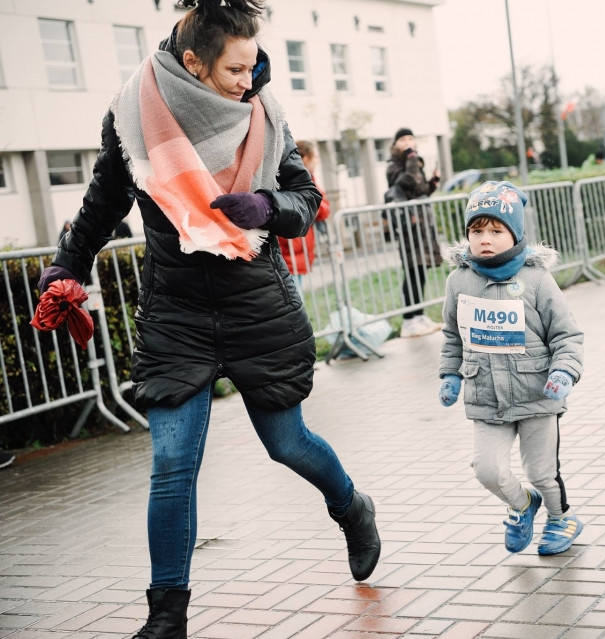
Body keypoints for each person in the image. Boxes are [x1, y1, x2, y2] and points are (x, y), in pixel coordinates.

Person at [34, 2, 380, 637]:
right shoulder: (132, 113)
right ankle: (166, 618)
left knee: (288, 445)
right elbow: (104, 201)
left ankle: (351, 505)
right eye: (235, 68)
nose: (248, 80)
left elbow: (307, 201)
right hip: (177, 313)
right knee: (171, 464)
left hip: (257, 307)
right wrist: (67, 267)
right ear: (192, 61)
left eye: (253, 65)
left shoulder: (265, 113)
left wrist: (266, 205)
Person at [437, 181, 585, 556]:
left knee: (542, 473)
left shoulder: (536, 280)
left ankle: (560, 517)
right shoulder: (458, 281)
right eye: (476, 230)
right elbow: (453, 335)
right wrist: (450, 375)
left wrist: (564, 372)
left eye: (495, 230)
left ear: (516, 234)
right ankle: (522, 505)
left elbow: (566, 334)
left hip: (537, 393)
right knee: (487, 469)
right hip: (486, 395)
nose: (484, 239)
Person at [385, 127, 444, 338]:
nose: (408, 142)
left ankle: (419, 315)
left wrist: (434, 182)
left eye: (411, 138)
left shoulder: (414, 162)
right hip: (408, 226)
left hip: (422, 224)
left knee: (421, 269)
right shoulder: (393, 166)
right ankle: (409, 320)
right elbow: (406, 182)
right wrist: (412, 158)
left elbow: (421, 190)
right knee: (412, 270)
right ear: (396, 145)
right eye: (403, 139)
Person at [279, 140, 331, 291]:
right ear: (306, 158)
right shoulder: (301, 180)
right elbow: (322, 209)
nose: (318, 161)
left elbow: (323, 209)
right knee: (295, 299)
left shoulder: (306, 178)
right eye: (315, 157)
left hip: (295, 251)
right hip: (291, 251)